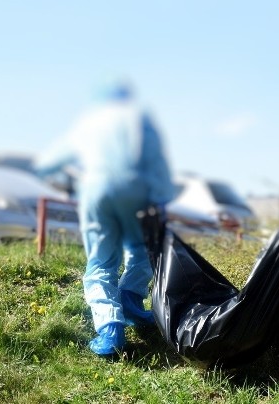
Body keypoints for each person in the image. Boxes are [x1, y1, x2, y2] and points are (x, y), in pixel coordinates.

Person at [35, 80, 174, 356]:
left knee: (101, 259)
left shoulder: (89, 120)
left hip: (96, 189)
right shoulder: (140, 117)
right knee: (141, 249)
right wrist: (161, 198)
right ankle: (131, 300)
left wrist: (57, 175)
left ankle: (110, 330)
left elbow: (49, 161)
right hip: (136, 188)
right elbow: (156, 160)